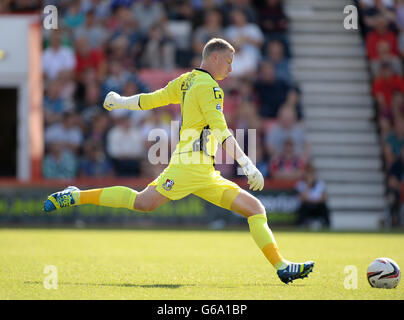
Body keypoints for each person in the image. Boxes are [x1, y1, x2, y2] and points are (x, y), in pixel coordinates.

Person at [44, 38, 314, 284]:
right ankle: (77, 196)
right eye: (229, 62)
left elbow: (151, 100)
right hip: (188, 167)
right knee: (143, 202)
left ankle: (281, 266)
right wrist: (247, 164)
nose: (230, 69)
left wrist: (121, 101)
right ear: (215, 58)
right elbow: (221, 130)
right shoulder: (210, 88)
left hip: (203, 170)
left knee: (255, 210)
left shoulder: (186, 81)